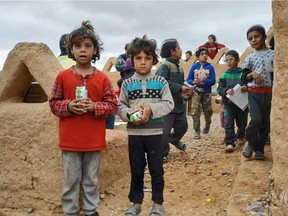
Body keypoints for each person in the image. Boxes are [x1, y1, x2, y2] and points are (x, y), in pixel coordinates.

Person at [49, 20, 118, 216]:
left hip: (93, 141)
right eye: (78, 46)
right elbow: (53, 103)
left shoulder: (103, 78)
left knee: (91, 178)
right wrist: (69, 106)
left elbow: (112, 105)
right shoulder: (62, 77)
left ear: (95, 50)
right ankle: (70, 211)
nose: (82, 50)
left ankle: (90, 210)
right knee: (71, 179)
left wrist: (94, 106)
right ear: (71, 49)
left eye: (88, 46)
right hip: (69, 141)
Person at [118, 35, 174, 216]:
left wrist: (150, 108)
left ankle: (158, 204)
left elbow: (168, 103)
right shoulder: (127, 84)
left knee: (156, 169)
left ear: (154, 60)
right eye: (138, 58)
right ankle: (136, 203)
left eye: (147, 58)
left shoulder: (161, 82)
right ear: (132, 60)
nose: (143, 62)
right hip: (135, 135)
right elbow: (120, 107)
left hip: (155, 133)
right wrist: (130, 115)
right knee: (136, 169)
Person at [155, 38, 192, 162]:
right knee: (164, 133)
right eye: (179, 48)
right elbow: (161, 83)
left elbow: (181, 85)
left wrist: (187, 91)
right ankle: (163, 153)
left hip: (179, 105)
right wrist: (180, 88)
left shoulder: (180, 68)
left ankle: (174, 140)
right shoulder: (164, 66)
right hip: (166, 105)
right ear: (172, 51)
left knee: (183, 126)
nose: (181, 50)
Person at [241, 24, 274, 160]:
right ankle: (250, 142)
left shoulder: (274, 55)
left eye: (256, 36)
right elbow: (243, 76)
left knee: (266, 123)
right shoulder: (250, 58)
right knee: (257, 119)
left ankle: (259, 149)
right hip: (254, 93)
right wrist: (251, 74)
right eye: (250, 38)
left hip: (270, 94)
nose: (253, 40)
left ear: (264, 37)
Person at [217, 50, 249, 152]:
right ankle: (230, 142)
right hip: (228, 104)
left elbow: (250, 84)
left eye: (231, 59)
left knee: (242, 123)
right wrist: (226, 90)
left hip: (241, 104)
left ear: (237, 60)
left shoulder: (243, 74)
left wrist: (246, 87)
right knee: (228, 123)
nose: (229, 62)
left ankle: (240, 136)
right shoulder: (224, 75)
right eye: (226, 60)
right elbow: (219, 89)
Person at [186, 47, 216, 139]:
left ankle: (207, 125)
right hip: (196, 93)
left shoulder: (210, 67)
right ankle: (197, 130)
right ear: (198, 56)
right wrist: (194, 82)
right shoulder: (194, 67)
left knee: (208, 111)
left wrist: (203, 82)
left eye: (206, 54)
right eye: (202, 54)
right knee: (195, 111)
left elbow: (213, 80)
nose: (204, 56)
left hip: (206, 93)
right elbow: (189, 79)